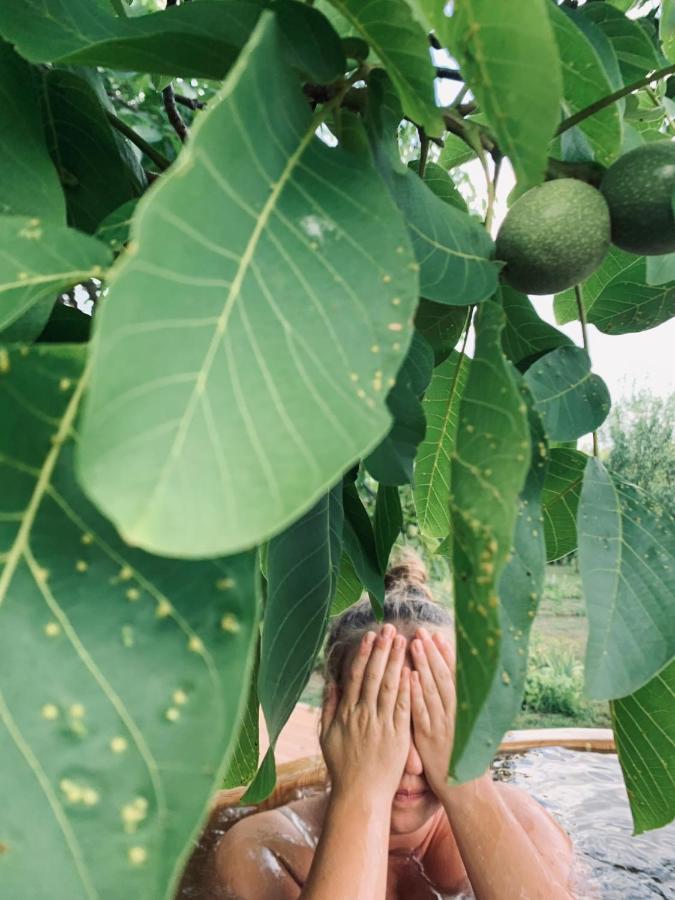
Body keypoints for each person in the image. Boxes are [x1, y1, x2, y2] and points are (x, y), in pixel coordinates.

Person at [215, 554, 577, 899]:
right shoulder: (264, 849)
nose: (413, 764)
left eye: (431, 723)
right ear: (332, 716)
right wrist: (363, 792)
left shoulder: (524, 826)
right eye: (384, 722)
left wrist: (465, 782)